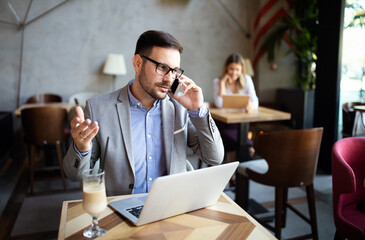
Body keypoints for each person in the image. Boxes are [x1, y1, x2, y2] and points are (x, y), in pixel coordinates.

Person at [63, 30, 224, 196]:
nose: (169, 79)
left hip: (171, 207)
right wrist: (81, 148)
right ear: (138, 63)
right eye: (162, 68)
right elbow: (74, 175)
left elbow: (214, 157)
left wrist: (198, 110)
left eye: (174, 71)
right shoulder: (98, 108)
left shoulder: (180, 108)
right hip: (121, 210)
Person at [213, 53, 259, 163]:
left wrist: (251, 107)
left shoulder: (247, 80)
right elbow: (219, 104)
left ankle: (236, 173)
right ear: (226, 68)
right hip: (223, 123)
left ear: (242, 69)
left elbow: (255, 101)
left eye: (237, 70)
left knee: (241, 140)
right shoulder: (217, 81)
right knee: (239, 143)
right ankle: (236, 172)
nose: (234, 73)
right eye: (231, 69)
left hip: (239, 122)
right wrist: (223, 84)